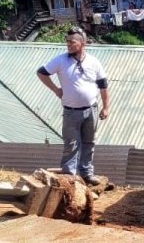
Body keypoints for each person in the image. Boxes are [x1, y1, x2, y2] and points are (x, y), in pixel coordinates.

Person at [36, 27, 110, 186]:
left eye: (72, 41)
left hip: (91, 109)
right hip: (71, 112)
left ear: (82, 43)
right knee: (71, 144)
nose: (68, 44)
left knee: (89, 142)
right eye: (67, 41)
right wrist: (56, 90)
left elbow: (103, 84)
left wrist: (105, 107)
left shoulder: (93, 61)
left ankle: (86, 173)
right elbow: (41, 73)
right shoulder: (60, 60)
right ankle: (70, 176)